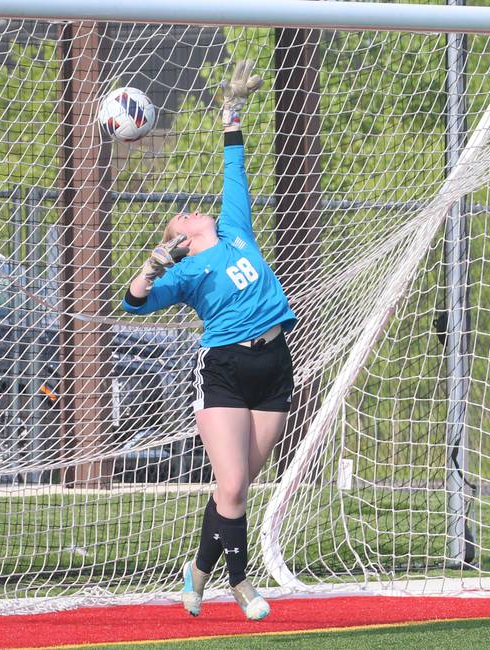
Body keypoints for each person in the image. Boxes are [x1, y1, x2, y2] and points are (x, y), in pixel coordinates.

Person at [121, 61, 297, 621]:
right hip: (223, 368)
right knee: (236, 486)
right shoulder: (187, 272)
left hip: (273, 362)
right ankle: (241, 584)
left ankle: (198, 572)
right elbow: (134, 300)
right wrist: (152, 264)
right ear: (184, 240)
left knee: (234, 487)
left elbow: (234, 166)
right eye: (183, 219)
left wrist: (232, 109)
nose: (192, 210)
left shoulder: (234, 229)